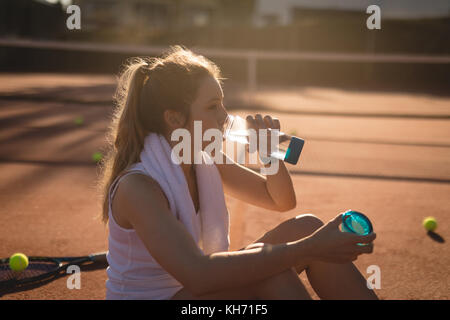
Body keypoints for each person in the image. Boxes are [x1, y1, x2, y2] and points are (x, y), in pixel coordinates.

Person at [97, 45, 377, 300]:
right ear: (174, 118)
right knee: (273, 273)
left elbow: (280, 201)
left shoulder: (204, 159)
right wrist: (310, 248)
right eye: (212, 107)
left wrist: (268, 154)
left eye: (222, 104)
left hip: (192, 292)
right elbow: (199, 274)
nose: (224, 117)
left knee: (307, 227)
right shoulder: (138, 187)